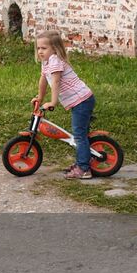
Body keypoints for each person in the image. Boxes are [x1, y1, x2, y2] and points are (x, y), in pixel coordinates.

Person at [32, 31, 97, 179]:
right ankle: (83, 161)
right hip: (80, 100)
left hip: (82, 100)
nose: (40, 51)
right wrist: (40, 97)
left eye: (44, 48)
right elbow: (43, 80)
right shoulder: (46, 62)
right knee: (81, 135)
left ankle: (84, 169)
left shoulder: (55, 60)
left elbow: (55, 82)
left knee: (79, 136)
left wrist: (53, 102)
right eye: (38, 48)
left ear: (54, 49)